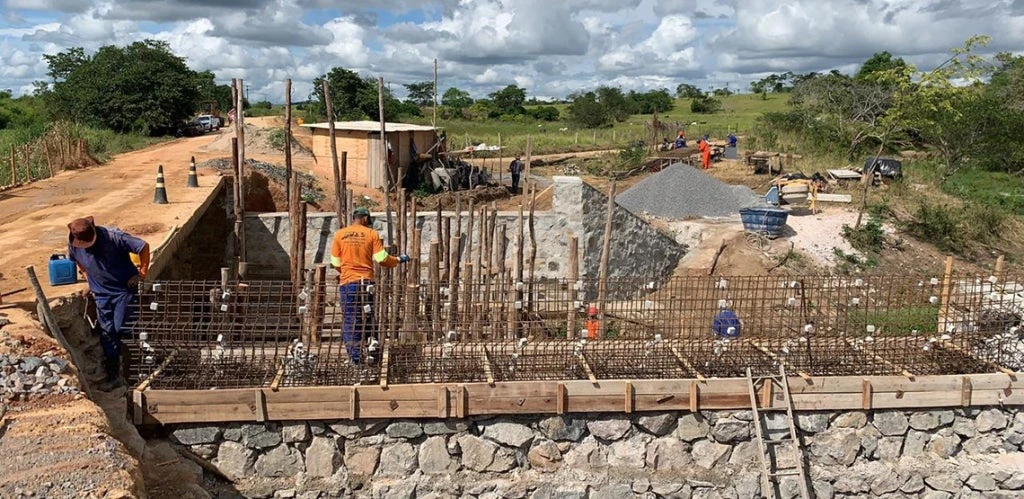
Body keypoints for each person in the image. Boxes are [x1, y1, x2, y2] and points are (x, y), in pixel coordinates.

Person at [67, 216, 149, 391]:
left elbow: (143, 246)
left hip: (123, 291)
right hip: (101, 295)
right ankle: (113, 375)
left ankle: (132, 372)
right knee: (108, 333)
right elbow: (78, 261)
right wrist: (88, 278)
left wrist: (141, 273)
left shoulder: (114, 237)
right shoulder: (74, 242)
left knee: (122, 329)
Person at [330, 207, 409, 365]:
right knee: (367, 316)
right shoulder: (371, 234)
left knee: (350, 319)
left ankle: (355, 357)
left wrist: (347, 271)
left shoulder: (339, 235)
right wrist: (399, 260)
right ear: (365, 218)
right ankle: (372, 352)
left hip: (348, 283)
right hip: (366, 283)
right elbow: (382, 258)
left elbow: (335, 262)